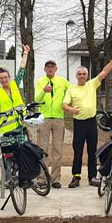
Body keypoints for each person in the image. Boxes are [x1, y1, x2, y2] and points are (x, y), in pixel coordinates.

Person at [61, 54, 112, 188]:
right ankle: (76, 177)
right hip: (79, 123)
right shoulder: (71, 88)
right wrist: (72, 110)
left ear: (87, 75)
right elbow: (64, 105)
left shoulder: (91, 84)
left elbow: (104, 72)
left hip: (91, 122)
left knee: (92, 151)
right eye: (80, 74)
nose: (82, 76)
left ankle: (92, 177)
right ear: (76, 76)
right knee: (78, 150)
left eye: (84, 74)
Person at [34, 59, 70, 188]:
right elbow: (36, 99)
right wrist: (44, 90)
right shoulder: (40, 82)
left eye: (52, 67)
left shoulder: (62, 81)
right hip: (44, 118)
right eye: (48, 67)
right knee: (42, 148)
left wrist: (68, 102)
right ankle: (42, 179)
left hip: (59, 118)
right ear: (44, 69)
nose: (50, 69)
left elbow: (72, 91)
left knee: (58, 149)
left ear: (56, 69)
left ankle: (55, 179)